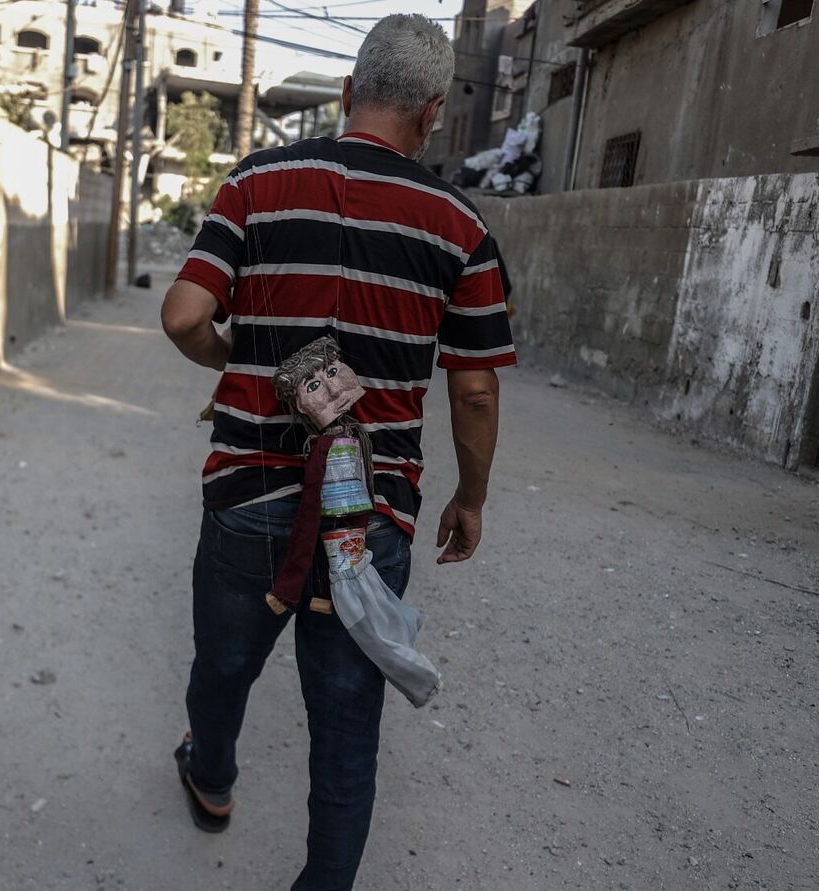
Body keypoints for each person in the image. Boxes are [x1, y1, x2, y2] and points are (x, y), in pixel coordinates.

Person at [159, 13, 516, 889]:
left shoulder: (256, 182)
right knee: (348, 730)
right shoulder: (459, 225)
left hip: (250, 494)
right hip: (370, 515)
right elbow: (474, 389)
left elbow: (184, 315)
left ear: (350, 90)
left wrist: (232, 360)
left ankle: (211, 777)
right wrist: (471, 497)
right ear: (432, 114)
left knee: (224, 665)